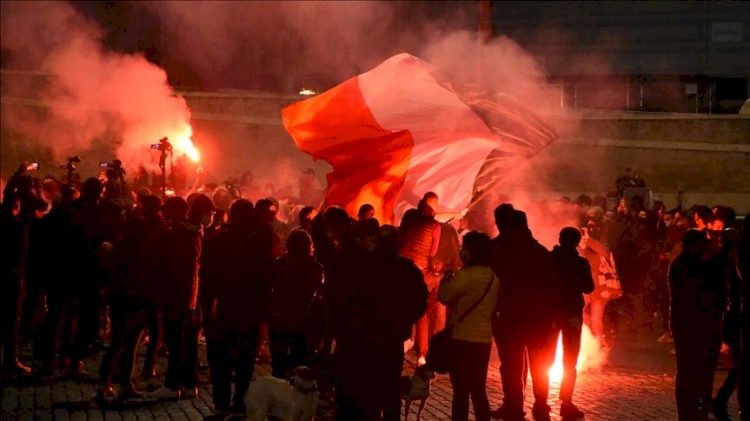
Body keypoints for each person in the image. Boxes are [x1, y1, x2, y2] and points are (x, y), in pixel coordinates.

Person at [331, 219, 428, 421]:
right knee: (391, 389)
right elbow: (420, 303)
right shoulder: (407, 269)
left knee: (367, 391)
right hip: (392, 339)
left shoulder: (361, 266)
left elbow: (345, 302)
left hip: (363, 338)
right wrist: (404, 321)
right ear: (397, 242)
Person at [201, 199, 272, 414]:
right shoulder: (258, 243)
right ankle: (240, 402)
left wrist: (206, 308)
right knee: (245, 362)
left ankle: (222, 404)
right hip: (248, 310)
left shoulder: (216, 241)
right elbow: (265, 282)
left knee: (221, 361)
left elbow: (205, 277)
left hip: (222, 308)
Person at [489, 208, 557, 421]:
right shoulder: (541, 252)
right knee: (539, 365)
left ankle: (514, 406)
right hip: (540, 319)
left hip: (510, 318)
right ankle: (540, 406)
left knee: (511, 365)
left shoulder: (499, 252)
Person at [438, 231, 498, 421]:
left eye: (464, 248)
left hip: (461, 339)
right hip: (483, 340)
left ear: (471, 252)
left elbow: (444, 297)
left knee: (461, 391)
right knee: (479, 389)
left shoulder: (464, 276)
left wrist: (446, 279)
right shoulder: (492, 277)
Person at [670, 230, 726, 420]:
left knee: (692, 369)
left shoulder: (681, 264)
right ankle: (692, 410)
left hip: (687, 323)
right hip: (696, 323)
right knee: (695, 369)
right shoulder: (693, 266)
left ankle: (694, 409)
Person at [152, 196, 204, 400]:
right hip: (190, 293)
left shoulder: (177, 234)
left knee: (175, 340)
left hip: (177, 292)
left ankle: (172, 384)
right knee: (189, 341)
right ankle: (189, 383)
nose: (164, 214)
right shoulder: (194, 232)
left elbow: (172, 266)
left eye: (167, 211)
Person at [266, 230, 324, 378]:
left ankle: (278, 394)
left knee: (279, 364)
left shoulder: (279, 264)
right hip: (305, 322)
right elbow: (317, 293)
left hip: (280, 320)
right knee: (301, 363)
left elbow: (270, 290)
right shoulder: (315, 268)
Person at [550, 227, 595, 418]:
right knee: (570, 360)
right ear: (577, 242)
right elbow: (588, 287)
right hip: (572, 314)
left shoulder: (548, 259)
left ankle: (540, 402)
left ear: (559, 239)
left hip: (550, 314)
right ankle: (566, 402)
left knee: (544, 357)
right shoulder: (581, 262)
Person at [399, 192, 442, 365]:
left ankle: (400, 343)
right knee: (421, 311)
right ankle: (422, 354)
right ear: (434, 206)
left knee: (400, 306)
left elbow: (401, 235)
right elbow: (433, 252)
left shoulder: (409, 215)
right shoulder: (435, 226)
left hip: (401, 265)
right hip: (420, 269)